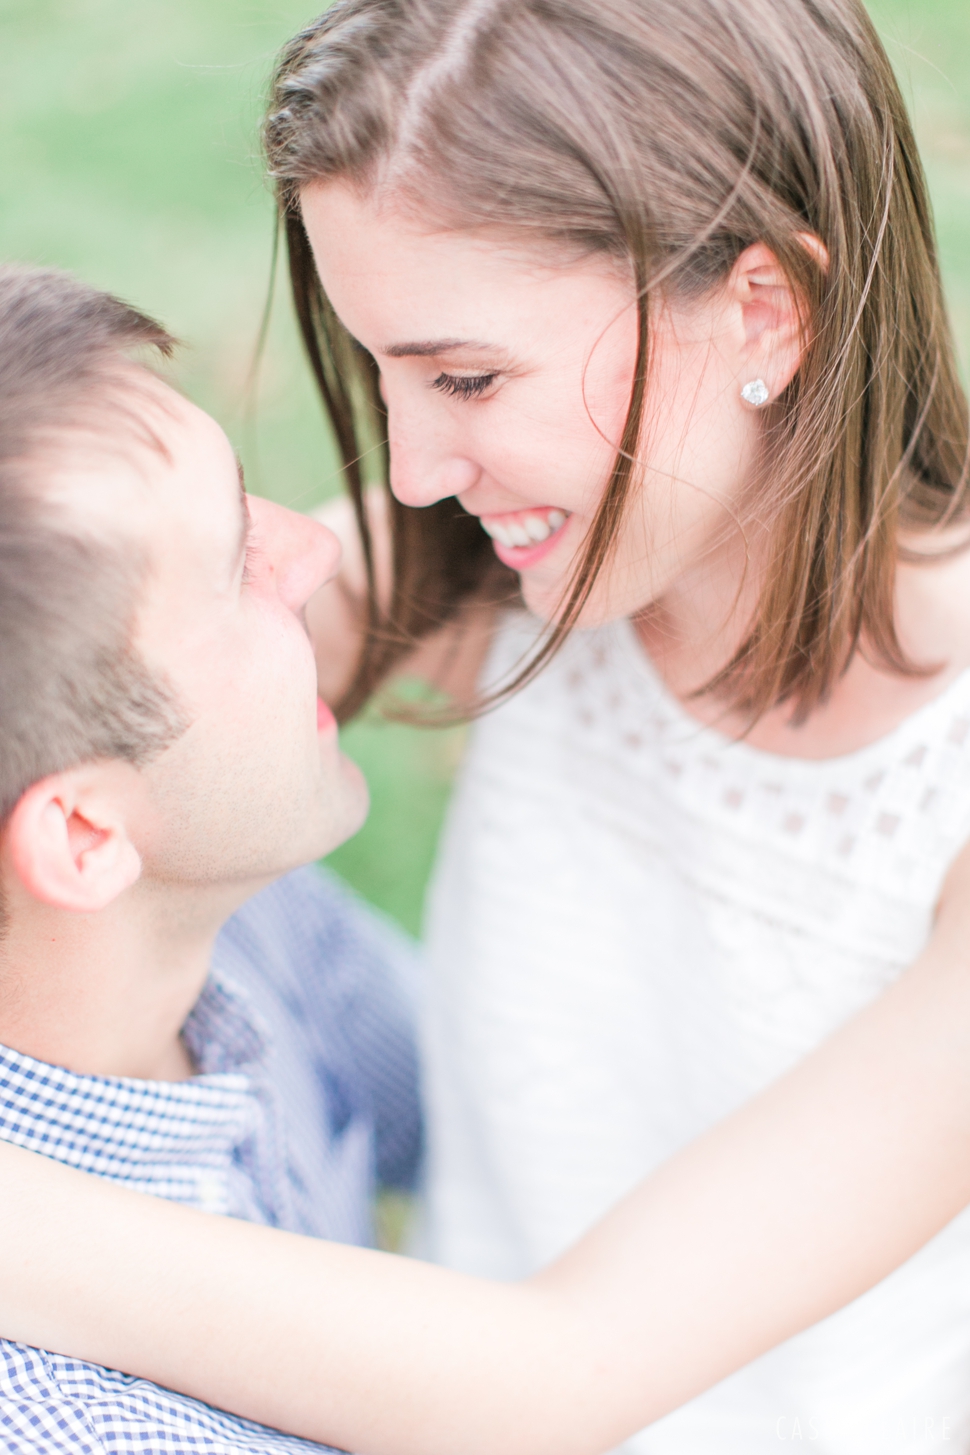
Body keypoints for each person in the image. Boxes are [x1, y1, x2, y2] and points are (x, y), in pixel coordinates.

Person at [1, 0, 970, 1450]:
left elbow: (558, 1375)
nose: (402, 476)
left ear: (762, 310)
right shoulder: (503, 568)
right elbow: (96, 714)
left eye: (464, 377)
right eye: (378, 367)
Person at [0, 263, 422, 1454]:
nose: (316, 555)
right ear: (85, 836)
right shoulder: (67, 1424)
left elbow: (469, 1094)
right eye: (236, 562)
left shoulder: (237, 909)